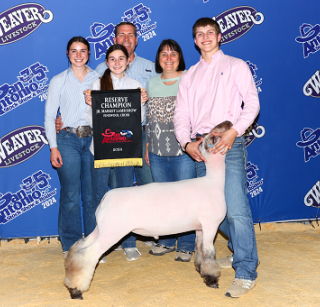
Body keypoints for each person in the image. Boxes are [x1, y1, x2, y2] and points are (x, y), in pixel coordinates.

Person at [174, 18, 260, 298]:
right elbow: (182, 115)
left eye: (210, 32)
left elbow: (252, 104)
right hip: (201, 146)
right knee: (211, 212)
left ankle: (246, 271)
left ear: (219, 36)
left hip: (228, 144)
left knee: (235, 208)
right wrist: (186, 143)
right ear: (195, 40)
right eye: (199, 34)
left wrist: (234, 132)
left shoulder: (236, 66)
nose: (205, 37)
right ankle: (239, 252)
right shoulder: (189, 76)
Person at [84, 44, 148, 261]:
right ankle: (97, 243)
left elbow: (140, 121)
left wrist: (141, 103)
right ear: (107, 62)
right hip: (101, 147)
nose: (117, 63)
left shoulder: (135, 85)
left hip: (126, 148)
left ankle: (128, 243)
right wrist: (91, 104)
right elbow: (89, 120)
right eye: (113, 59)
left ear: (128, 61)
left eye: (121, 58)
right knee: (98, 196)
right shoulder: (96, 84)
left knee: (125, 197)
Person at [44, 36, 100, 257]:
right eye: (74, 51)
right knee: (70, 194)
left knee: (92, 196)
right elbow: (49, 116)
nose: (78, 55)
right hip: (67, 140)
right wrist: (53, 147)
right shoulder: (58, 80)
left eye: (83, 51)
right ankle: (71, 244)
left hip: (94, 140)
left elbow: (108, 111)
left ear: (89, 53)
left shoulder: (99, 78)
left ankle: (92, 244)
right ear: (67, 54)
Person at [145, 39, 197, 262]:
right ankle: (166, 241)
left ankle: (186, 244)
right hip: (157, 150)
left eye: (173, 54)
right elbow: (149, 117)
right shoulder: (151, 83)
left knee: (185, 197)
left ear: (180, 57)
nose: (168, 58)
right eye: (163, 54)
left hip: (183, 151)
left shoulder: (190, 78)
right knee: (163, 198)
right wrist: (147, 146)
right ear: (158, 59)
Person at [96, 22, 156, 190]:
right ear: (114, 38)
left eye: (131, 35)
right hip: (113, 137)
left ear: (136, 40)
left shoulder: (150, 67)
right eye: (122, 35)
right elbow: (91, 100)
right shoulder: (101, 69)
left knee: (149, 186)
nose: (126, 39)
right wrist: (64, 116)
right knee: (118, 189)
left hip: (144, 134)